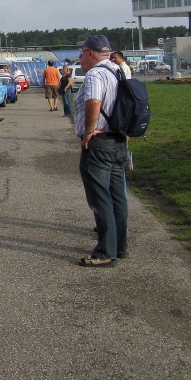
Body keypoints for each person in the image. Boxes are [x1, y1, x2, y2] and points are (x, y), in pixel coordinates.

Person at [74, 35, 129, 267]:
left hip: (100, 142)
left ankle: (105, 251)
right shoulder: (119, 71)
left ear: (91, 54)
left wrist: (88, 131)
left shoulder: (96, 74)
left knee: (100, 197)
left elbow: (94, 102)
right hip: (117, 140)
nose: (79, 58)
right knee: (118, 197)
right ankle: (120, 246)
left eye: (82, 53)